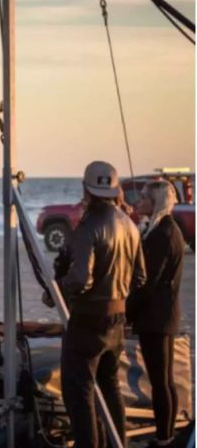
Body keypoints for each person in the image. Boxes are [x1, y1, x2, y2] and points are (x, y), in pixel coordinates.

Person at [52, 161, 146, 448]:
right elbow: (141, 276)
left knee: (78, 391)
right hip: (117, 317)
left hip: (88, 320)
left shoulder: (89, 226)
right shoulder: (129, 224)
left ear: (86, 189)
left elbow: (81, 280)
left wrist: (58, 290)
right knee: (110, 386)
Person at [127, 180, 185, 448]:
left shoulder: (164, 233)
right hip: (159, 316)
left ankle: (164, 437)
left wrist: (127, 311)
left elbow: (148, 282)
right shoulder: (160, 229)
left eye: (145, 198)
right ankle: (167, 434)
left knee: (161, 381)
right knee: (163, 380)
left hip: (158, 318)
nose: (139, 202)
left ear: (157, 202)